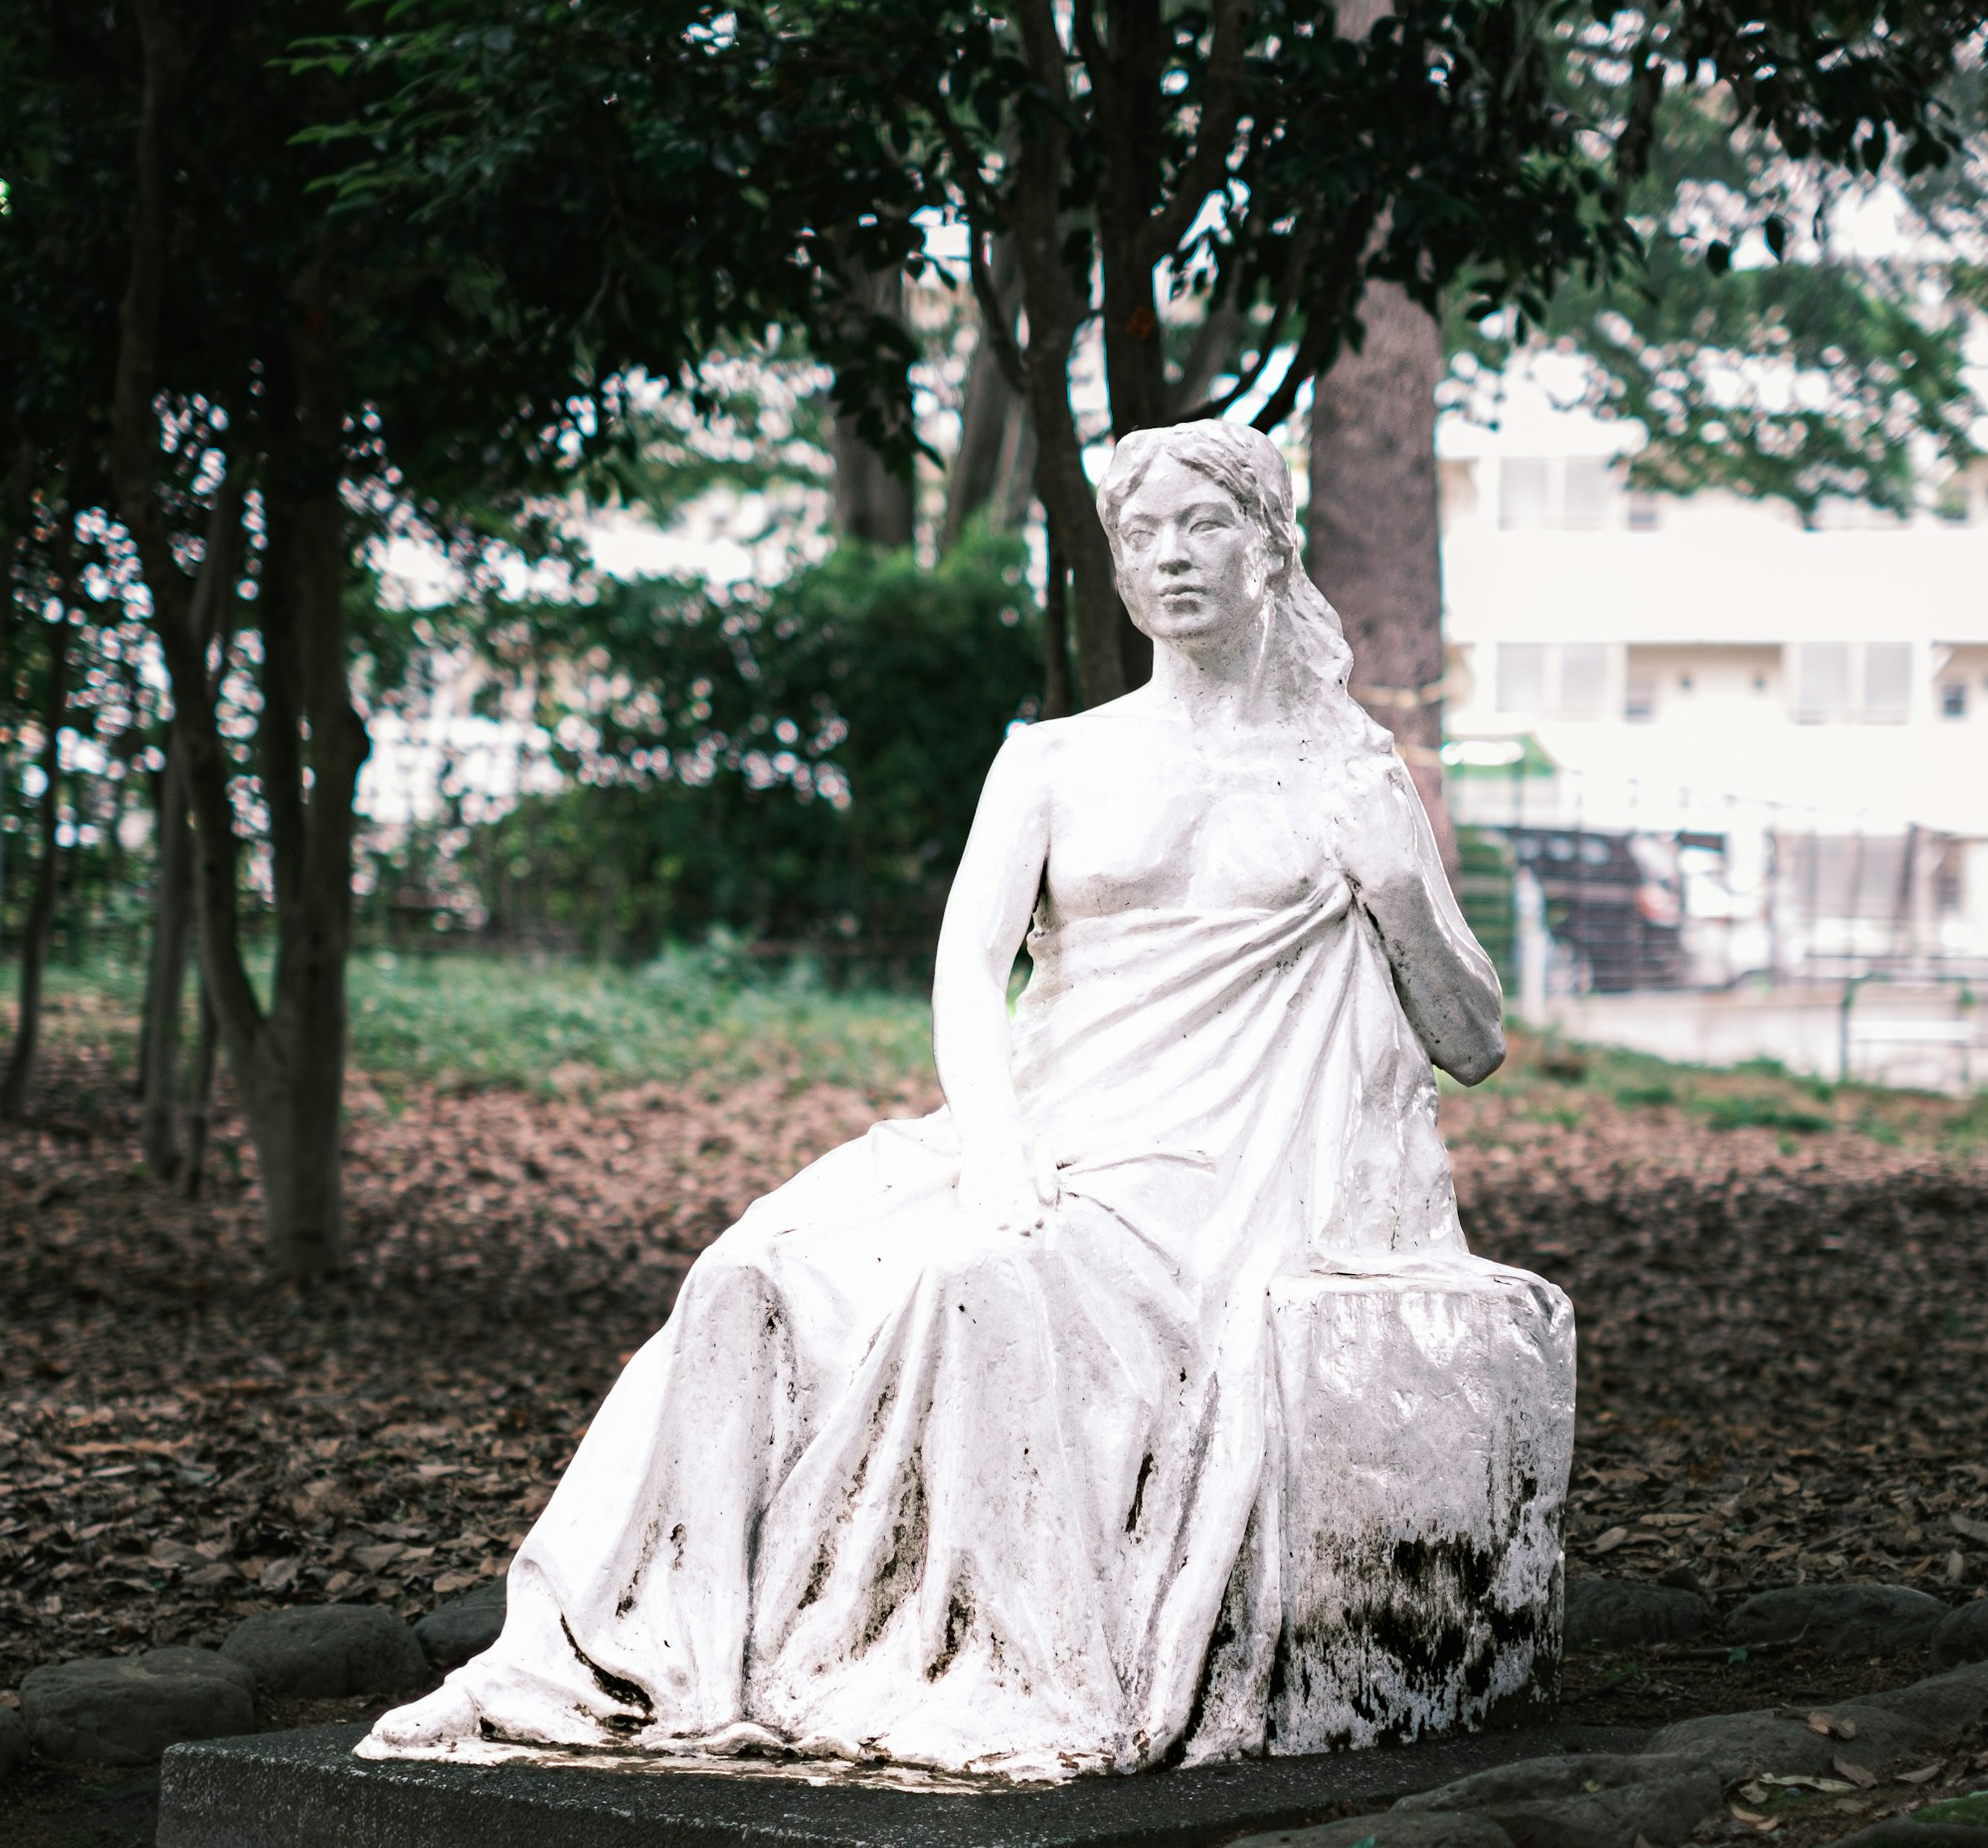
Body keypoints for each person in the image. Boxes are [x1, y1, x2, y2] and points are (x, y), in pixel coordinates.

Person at [362, 421, 1563, 1779]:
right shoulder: (1053, 760)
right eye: (1141, 535)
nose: (1170, 556)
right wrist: (993, 1145)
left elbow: (1470, 1040)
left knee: (984, 1285)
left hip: (1219, 1174)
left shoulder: (1350, 773)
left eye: (1204, 525)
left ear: (1269, 548)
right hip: (1038, 1128)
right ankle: (683, 1679)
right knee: (747, 1278)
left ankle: (1000, 1671)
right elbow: (964, 977)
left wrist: (1399, 892)